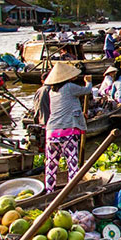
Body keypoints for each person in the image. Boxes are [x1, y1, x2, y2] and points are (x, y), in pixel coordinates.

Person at [44, 63, 93, 193]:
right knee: (72, 163)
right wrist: (88, 82)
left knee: (51, 164)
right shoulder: (69, 87)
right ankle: (72, 190)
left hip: (51, 132)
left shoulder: (52, 91)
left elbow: (65, 107)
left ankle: (49, 190)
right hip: (67, 132)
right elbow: (87, 91)